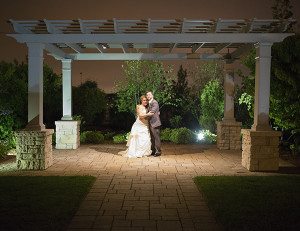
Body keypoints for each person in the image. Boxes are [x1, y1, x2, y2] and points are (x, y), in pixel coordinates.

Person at [146, 91, 162, 157]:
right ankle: (153, 151)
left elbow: (152, 112)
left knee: (156, 138)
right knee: (152, 138)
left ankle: (158, 151)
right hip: (150, 123)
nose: (148, 96)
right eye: (147, 95)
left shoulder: (154, 102)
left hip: (155, 123)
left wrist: (143, 115)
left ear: (152, 95)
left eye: (149, 94)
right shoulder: (149, 103)